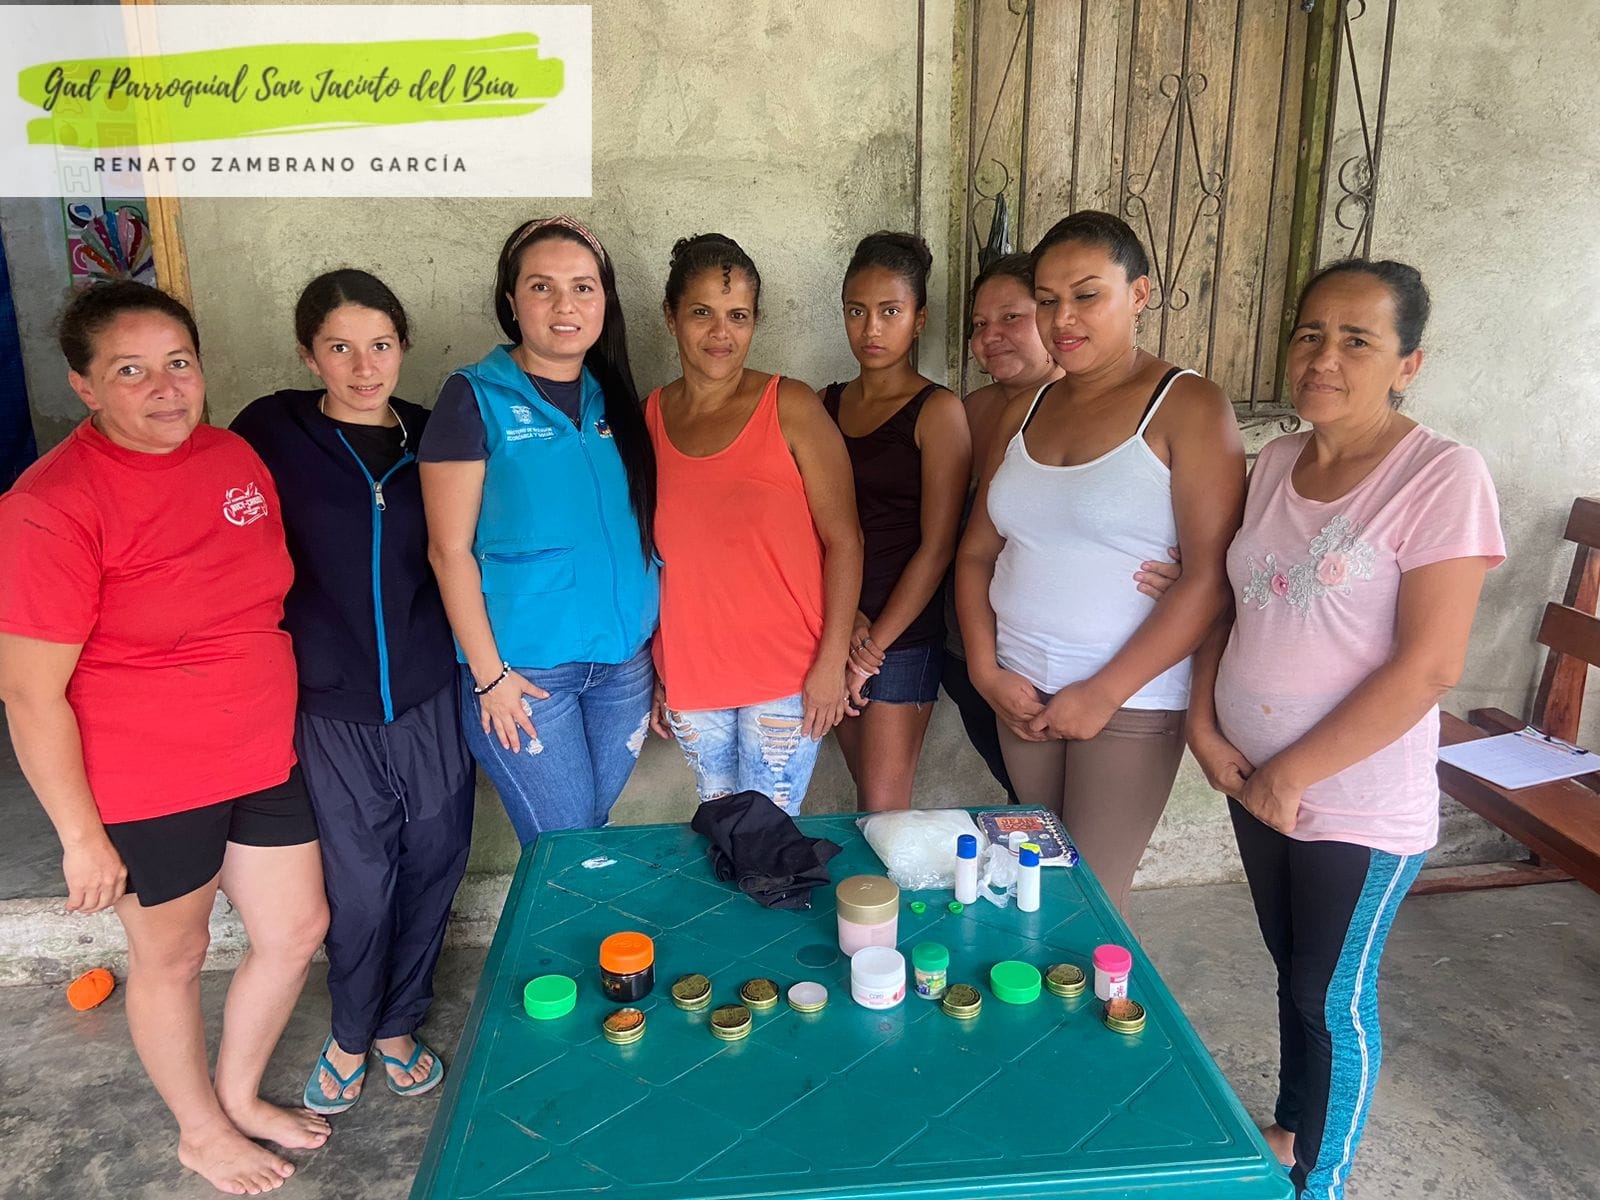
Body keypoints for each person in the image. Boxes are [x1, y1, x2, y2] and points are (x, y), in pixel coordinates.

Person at [0, 282, 330, 1195]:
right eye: (130, 371)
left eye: (178, 363)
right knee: (173, 957)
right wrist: (80, 838)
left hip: (260, 750)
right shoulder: (50, 504)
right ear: (84, 386)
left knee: (296, 928)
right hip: (149, 775)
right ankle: (199, 1132)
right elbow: (28, 693)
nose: (165, 388)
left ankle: (238, 1095)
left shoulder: (231, 457)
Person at [1187, 259, 1504, 1198]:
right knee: (1297, 972)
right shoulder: (1276, 463)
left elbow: (1430, 665)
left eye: (1357, 340)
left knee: (1333, 997)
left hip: (1355, 801)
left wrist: (1290, 776)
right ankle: (1295, 1130)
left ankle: (1320, 1181)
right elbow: (1231, 606)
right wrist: (1206, 728)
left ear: (1409, 363)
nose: (1324, 357)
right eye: (1310, 334)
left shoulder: (1442, 475)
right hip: (1253, 779)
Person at [230, 270, 474, 1117]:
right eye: (340, 348)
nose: (364, 367)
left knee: (435, 864)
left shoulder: (435, 436)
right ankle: (350, 1032)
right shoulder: (272, 431)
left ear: (403, 347)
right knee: (360, 888)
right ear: (309, 355)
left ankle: (399, 1025)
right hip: (328, 706)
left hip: (430, 696)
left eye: (380, 346)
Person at [955, 210, 1246, 915]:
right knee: (1036, 890)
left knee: (1092, 904)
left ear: (1139, 294)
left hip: (1129, 701)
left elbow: (1209, 578)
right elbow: (976, 555)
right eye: (1048, 299)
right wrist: (987, 672)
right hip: (1021, 692)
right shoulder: (1027, 409)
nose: (1063, 318)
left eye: (1087, 295)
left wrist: (1104, 692)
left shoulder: (1188, 406)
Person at [420, 217, 658, 847]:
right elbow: (447, 551)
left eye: (583, 288)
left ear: (605, 300)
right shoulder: (474, 398)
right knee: (566, 848)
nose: (564, 306)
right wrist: (489, 677)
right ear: (511, 300)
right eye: (541, 287)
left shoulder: (616, 398)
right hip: (524, 675)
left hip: (623, 667)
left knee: (586, 839)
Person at [946, 254, 1183, 803]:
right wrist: (983, 668)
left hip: (1114, 687)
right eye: (979, 324)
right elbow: (972, 545)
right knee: (1032, 830)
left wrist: (1194, 570)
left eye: (1012, 317)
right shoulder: (981, 411)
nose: (991, 336)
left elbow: (1207, 555)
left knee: (1082, 845)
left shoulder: (1166, 407)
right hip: (994, 659)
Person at [646, 233, 862, 815]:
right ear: (670, 317)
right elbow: (654, 558)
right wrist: (659, 668)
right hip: (692, 676)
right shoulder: (649, 417)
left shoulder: (790, 405)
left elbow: (845, 541)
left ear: (755, 322)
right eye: (702, 313)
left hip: (787, 675)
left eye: (738, 316)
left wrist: (831, 663)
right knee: (720, 823)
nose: (721, 333)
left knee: (768, 833)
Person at [821, 231, 970, 811]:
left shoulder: (938, 411)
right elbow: (811, 527)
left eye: (890, 311)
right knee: (867, 805)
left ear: (919, 318)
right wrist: (846, 623)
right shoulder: (824, 404)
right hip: (838, 623)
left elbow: (938, 546)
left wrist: (872, 646)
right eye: (856, 311)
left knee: (884, 809)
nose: (871, 329)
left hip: (901, 636)